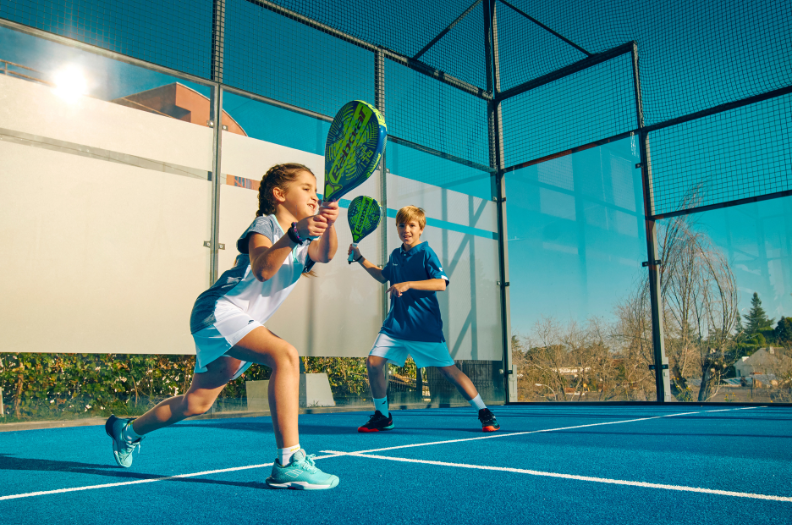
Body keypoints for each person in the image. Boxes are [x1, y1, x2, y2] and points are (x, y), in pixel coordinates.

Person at [105, 163, 341, 490]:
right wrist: (295, 234)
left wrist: (329, 221)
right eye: (306, 188)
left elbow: (325, 254)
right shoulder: (266, 224)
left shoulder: (303, 240)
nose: (315, 196)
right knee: (286, 356)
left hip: (239, 320)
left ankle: (127, 431)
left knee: (196, 403)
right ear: (279, 194)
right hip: (218, 310)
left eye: (317, 191)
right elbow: (262, 269)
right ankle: (288, 462)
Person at [348, 205, 499, 433]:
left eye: (412, 225)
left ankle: (484, 412)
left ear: (421, 229)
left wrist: (408, 284)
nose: (406, 230)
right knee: (373, 363)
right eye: (401, 225)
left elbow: (441, 283)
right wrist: (360, 258)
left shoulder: (426, 253)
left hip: (424, 328)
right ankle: (383, 416)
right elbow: (382, 276)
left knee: (449, 371)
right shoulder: (395, 255)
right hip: (395, 327)